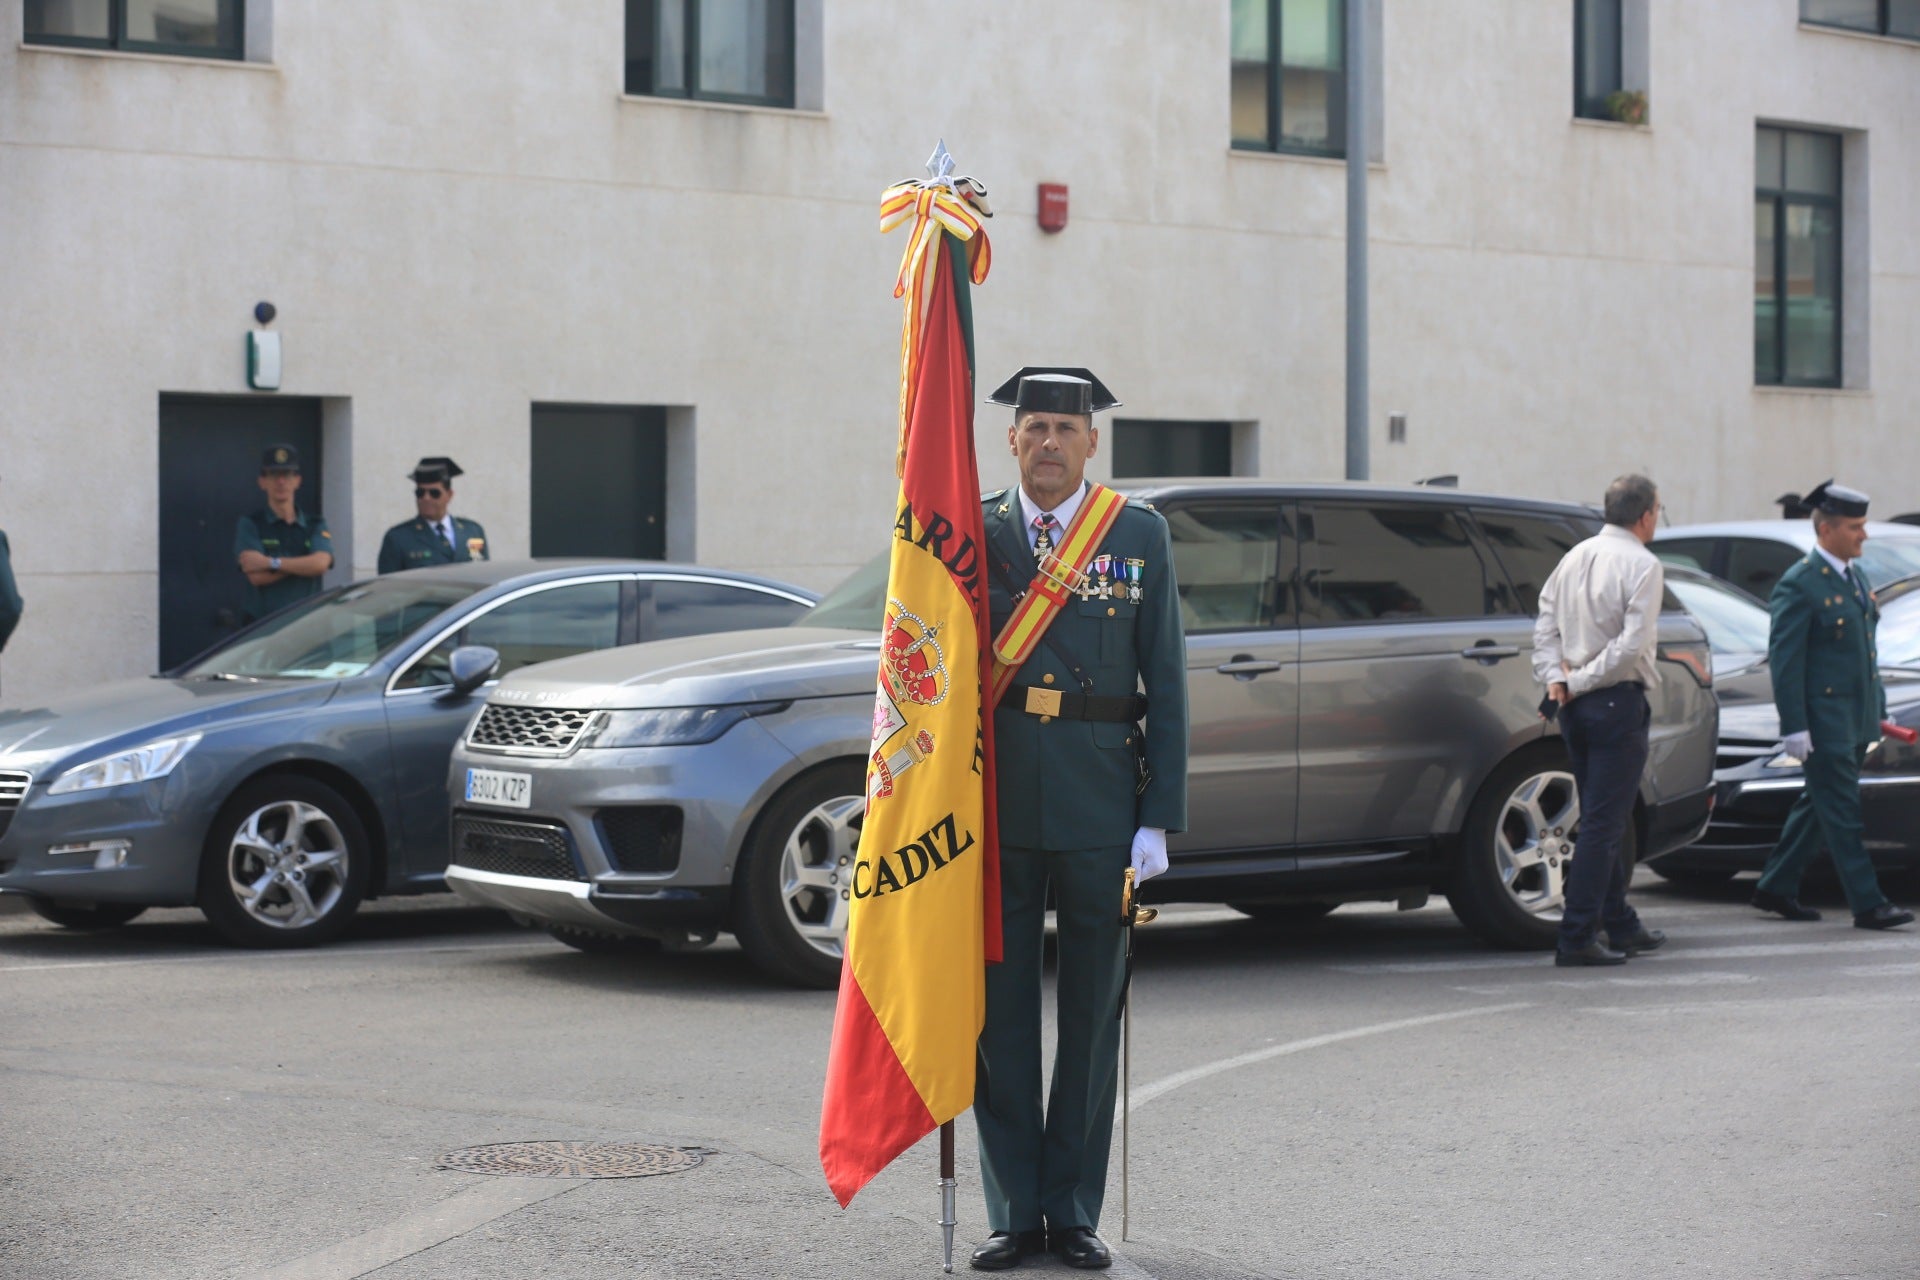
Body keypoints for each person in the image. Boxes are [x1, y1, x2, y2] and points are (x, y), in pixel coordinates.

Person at [969, 368, 1188, 1272]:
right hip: (998, 802)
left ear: (1091, 442)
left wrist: (1158, 817)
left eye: (1066, 426)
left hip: (1103, 801)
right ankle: (1015, 1212)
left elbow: (1167, 676)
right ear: (1010, 441)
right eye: (1034, 427)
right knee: (999, 1016)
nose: (1050, 442)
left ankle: (1074, 1208)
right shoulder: (971, 532)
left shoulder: (1137, 533)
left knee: (1094, 1014)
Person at [1751, 481, 1913, 930]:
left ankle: (1776, 885)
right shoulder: (1799, 584)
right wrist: (1794, 726)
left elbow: (1865, 653)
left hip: (1854, 719)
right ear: (1826, 530)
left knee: (1818, 804)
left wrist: (1876, 709)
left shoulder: (1854, 576)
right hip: (1823, 723)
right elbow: (1787, 662)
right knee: (1841, 811)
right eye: (1855, 527)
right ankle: (1868, 902)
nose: (1863, 535)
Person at [1532, 474, 1668, 967]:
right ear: (1646, 515)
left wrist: (1556, 678)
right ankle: (1576, 937)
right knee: (1603, 826)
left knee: (1600, 818)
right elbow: (1631, 646)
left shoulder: (1574, 556)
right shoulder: (1643, 564)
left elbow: (1545, 624)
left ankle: (1620, 923)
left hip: (1575, 706)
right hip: (1613, 702)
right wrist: (1580, 680)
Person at [233, 444, 333, 620]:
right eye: (274, 475)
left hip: (308, 626)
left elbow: (320, 565)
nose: (281, 481)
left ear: (297, 481)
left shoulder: (315, 524)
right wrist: (304, 563)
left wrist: (271, 563)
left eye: (287, 475)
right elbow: (257, 576)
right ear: (262, 482)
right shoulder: (251, 524)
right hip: (264, 628)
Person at [377, 457, 488, 573]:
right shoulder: (398, 538)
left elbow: (483, 575)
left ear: (449, 495)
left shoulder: (472, 532)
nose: (426, 498)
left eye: (434, 493)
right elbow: (388, 586)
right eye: (420, 493)